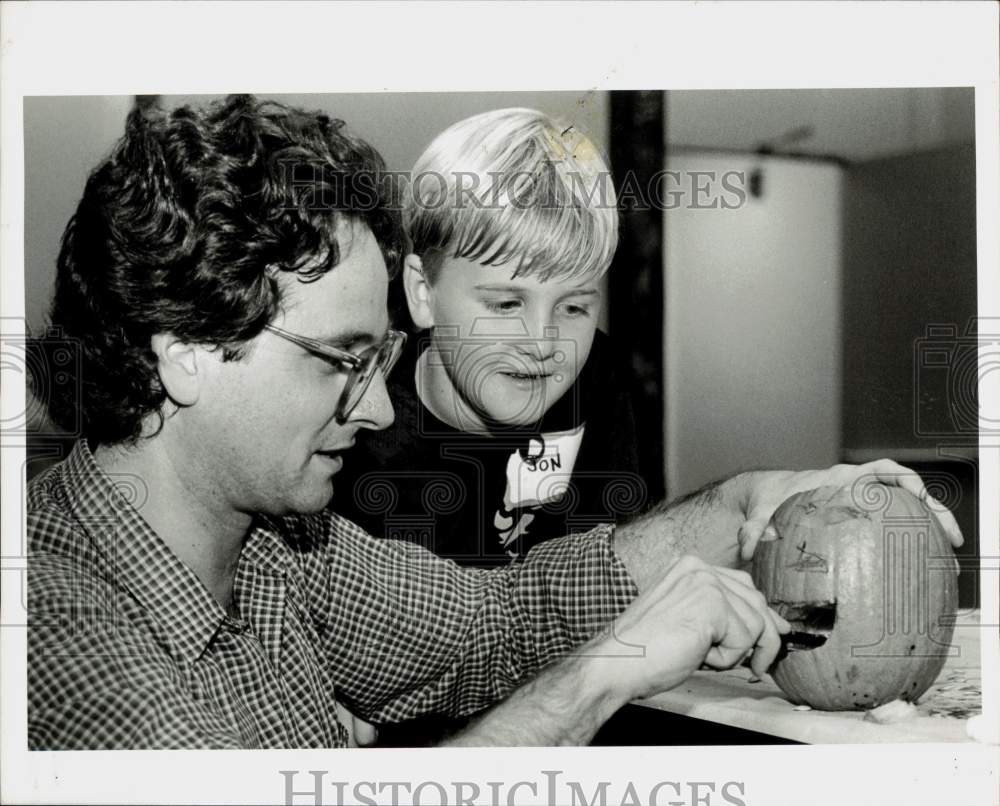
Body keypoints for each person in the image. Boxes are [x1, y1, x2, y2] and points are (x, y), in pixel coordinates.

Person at [26, 95, 962, 750]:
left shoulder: (276, 552)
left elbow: (500, 621)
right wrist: (598, 680)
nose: (382, 400)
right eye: (345, 359)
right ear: (183, 350)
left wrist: (752, 500)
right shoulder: (54, 633)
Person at [335, 108, 642, 568]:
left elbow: (620, 568)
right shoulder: (354, 434)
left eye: (573, 307)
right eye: (506, 305)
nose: (543, 343)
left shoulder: (598, 376)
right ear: (423, 292)